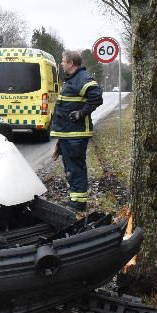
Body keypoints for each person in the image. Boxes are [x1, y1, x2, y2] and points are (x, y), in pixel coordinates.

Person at [50, 50, 103, 212]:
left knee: (75, 167)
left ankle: (79, 203)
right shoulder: (73, 79)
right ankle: (75, 198)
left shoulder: (81, 78)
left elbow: (97, 96)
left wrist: (82, 113)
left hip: (76, 135)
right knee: (71, 167)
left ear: (71, 63)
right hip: (69, 134)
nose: (62, 63)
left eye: (63, 61)